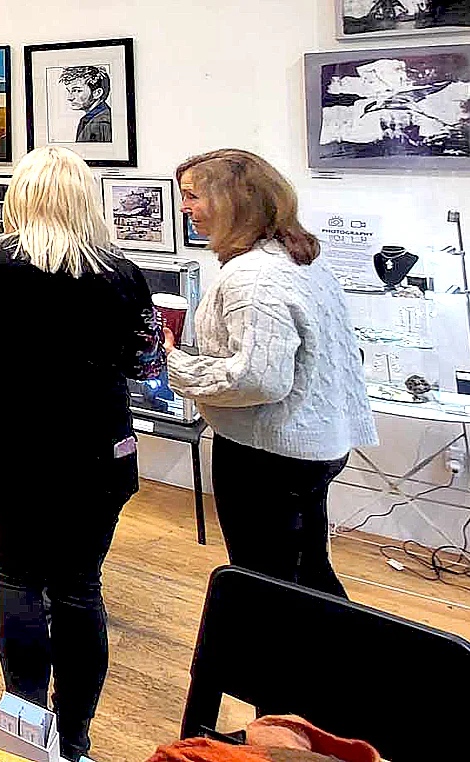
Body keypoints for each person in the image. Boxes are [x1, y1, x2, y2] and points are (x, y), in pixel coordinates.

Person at [0, 146, 163, 762]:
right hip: (98, 451)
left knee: (18, 578)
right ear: (87, 201)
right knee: (81, 587)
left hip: (18, 447)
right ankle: (76, 736)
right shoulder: (124, 274)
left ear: (21, 199)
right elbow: (148, 364)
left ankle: (29, 726)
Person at [166, 149, 377, 598]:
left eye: (192, 196)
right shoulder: (299, 261)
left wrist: (173, 362)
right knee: (306, 567)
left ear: (232, 200)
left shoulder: (254, 277)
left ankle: (278, 664)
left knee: (267, 579)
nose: (184, 207)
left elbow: (260, 380)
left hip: (269, 454)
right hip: (311, 445)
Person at [59, 67, 112, 143]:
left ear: (97, 93)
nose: (69, 97)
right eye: (69, 91)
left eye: (77, 91)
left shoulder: (101, 124)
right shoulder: (93, 118)